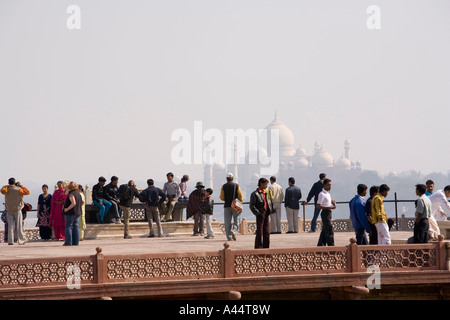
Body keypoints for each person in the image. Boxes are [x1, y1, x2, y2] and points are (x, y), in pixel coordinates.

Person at [1, 178, 30, 245]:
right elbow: (27, 192)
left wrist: (7, 186)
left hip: (9, 210)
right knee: (19, 225)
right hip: (17, 209)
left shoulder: (6, 190)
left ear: (8, 183)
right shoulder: (18, 190)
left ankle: (10, 241)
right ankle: (20, 240)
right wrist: (20, 185)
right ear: (15, 182)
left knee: (10, 226)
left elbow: (2, 190)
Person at [250, 178, 273, 249]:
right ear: (261, 184)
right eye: (265, 184)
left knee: (266, 231)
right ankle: (259, 246)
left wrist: (270, 210)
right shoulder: (255, 194)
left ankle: (266, 246)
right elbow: (252, 205)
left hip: (266, 212)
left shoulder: (265, 192)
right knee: (259, 231)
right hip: (260, 213)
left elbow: (267, 202)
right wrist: (258, 213)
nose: (266, 186)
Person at [219, 173, 243, 241]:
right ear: (232, 178)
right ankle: (234, 231)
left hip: (227, 206)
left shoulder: (224, 186)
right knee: (237, 219)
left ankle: (229, 237)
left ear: (226, 179)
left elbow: (222, 197)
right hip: (235, 206)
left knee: (227, 222)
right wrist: (238, 202)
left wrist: (227, 200)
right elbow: (240, 197)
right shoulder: (236, 185)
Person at [63, 181, 84, 246]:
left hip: (70, 213)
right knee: (75, 226)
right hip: (77, 212)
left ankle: (68, 242)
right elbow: (82, 202)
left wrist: (67, 209)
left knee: (68, 226)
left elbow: (73, 203)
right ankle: (75, 242)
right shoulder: (78, 194)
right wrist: (78, 207)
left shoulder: (71, 194)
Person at [316, 179, 336, 246]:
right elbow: (318, 205)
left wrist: (331, 202)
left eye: (330, 185)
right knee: (329, 229)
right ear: (324, 185)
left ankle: (320, 245)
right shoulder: (322, 194)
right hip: (325, 213)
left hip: (329, 212)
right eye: (328, 185)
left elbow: (326, 203)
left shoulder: (327, 193)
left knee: (325, 230)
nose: (330, 187)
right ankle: (331, 246)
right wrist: (329, 207)